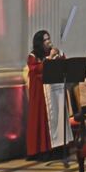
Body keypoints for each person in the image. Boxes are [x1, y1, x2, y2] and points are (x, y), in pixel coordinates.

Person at [26, 30, 65, 160]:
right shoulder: (33, 56)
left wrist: (59, 56)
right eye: (45, 39)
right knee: (41, 119)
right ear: (39, 42)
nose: (48, 41)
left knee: (56, 119)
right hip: (40, 93)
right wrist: (49, 59)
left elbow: (62, 66)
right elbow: (36, 70)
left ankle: (57, 148)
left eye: (49, 38)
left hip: (53, 91)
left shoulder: (51, 53)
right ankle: (41, 150)